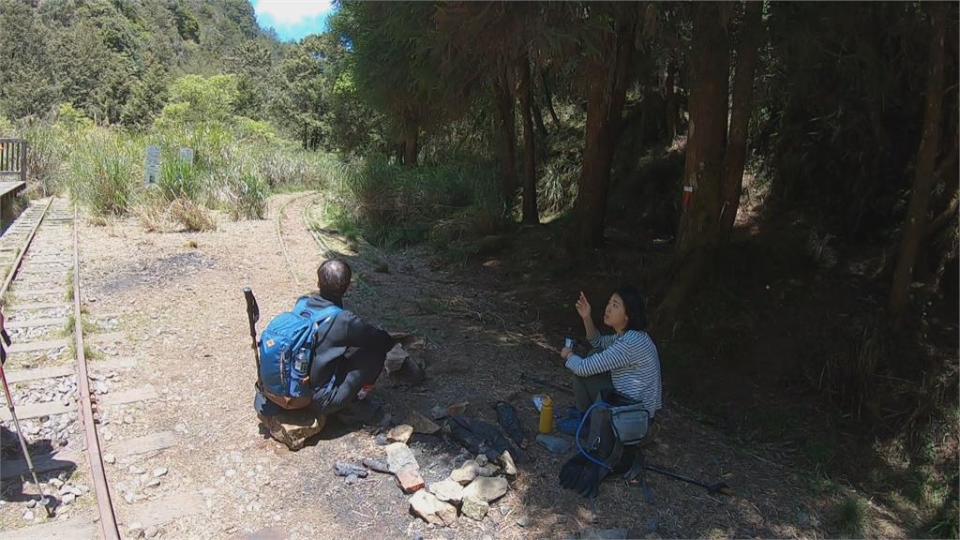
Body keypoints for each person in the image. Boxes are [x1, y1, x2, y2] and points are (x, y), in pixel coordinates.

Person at [254, 259, 394, 422]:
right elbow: (382, 341)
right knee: (375, 352)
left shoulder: (302, 303)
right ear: (348, 287)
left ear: (318, 282)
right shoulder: (343, 320)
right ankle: (356, 402)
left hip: (284, 388)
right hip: (317, 401)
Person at [559, 286, 662, 419]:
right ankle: (590, 417)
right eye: (609, 303)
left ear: (627, 316)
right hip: (634, 409)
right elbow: (598, 342)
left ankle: (587, 421)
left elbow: (583, 368)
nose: (608, 308)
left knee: (581, 374)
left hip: (631, 414)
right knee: (595, 352)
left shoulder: (630, 343)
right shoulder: (631, 336)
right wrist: (586, 317)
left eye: (615, 305)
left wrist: (568, 355)